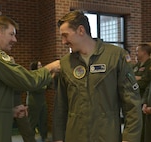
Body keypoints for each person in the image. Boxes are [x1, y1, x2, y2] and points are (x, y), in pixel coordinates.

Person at [0, 15, 60, 142]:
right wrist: (51, 67)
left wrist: (9, 111)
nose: (14, 39)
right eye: (11, 34)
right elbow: (28, 80)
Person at [52, 10, 142, 142]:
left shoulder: (116, 56)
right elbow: (61, 106)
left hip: (106, 136)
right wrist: (58, 138)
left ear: (81, 30)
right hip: (75, 136)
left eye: (65, 35)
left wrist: (130, 138)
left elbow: (131, 104)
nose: (63, 41)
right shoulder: (66, 63)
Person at [26, 61, 49, 142]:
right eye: (39, 65)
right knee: (32, 121)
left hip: (42, 101)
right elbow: (36, 87)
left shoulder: (41, 74)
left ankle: (44, 136)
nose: (41, 66)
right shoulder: (31, 75)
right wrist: (44, 84)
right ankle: (30, 138)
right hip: (33, 102)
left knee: (43, 120)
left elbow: (46, 84)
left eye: (41, 64)